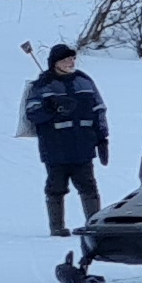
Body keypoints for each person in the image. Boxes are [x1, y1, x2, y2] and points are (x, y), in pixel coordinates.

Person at [20, 44, 109, 236]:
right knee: (56, 187)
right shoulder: (42, 85)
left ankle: (94, 225)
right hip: (55, 148)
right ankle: (57, 227)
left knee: (89, 186)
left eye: (72, 59)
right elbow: (31, 114)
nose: (71, 62)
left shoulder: (84, 81)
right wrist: (51, 108)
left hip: (83, 145)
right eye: (65, 59)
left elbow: (99, 110)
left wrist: (102, 137)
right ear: (55, 63)